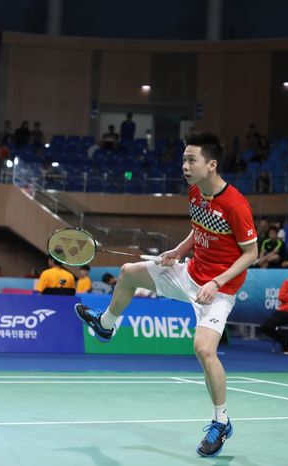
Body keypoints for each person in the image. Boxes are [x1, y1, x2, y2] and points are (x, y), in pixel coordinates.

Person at [74, 132, 258, 458]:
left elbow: (250, 254)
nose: (184, 165)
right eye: (184, 159)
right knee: (129, 273)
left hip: (218, 289)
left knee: (203, 350)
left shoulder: (236, 205)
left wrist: (216, 283)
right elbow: (198, 228)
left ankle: (221, 421)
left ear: (211, 164)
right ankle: (106, 324)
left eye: (191, 160)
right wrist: (178, 249)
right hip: (189, 273)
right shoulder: (195, 192)